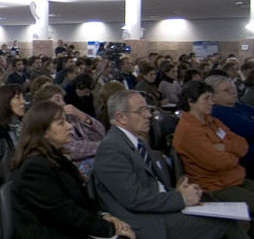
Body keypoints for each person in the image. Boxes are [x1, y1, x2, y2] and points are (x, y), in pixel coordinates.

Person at [93, 90, 246, 239]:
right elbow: (134, 199)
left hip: (158, 209)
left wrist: (177, 192)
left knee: (222, 213)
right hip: (146, 221)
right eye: (141, 111)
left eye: (148, 109)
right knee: (224, 222)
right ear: (121, 117)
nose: (148, 115)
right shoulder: (111, 149)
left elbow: (152, 186)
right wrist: (181, 199)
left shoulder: (136, 142)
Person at [11, 101, 135, 239]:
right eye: (61, 123)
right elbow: (65, 214)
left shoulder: (56, 158)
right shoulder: (34, 169)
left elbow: (80, 203)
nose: (69, 127)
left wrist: (104, 216)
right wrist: (110, 229)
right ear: (43, 132)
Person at [173, 81, 254, 236]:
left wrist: (226, 148)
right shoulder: (188, 132)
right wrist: (234, 154)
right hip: (216, 186)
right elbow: (218, 162)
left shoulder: (212, 121)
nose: (212, 102)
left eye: (212, 98)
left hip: (235, 178)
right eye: (206, 98)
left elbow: (242, 144)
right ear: (191, 102)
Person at [33, 84, 106, 175]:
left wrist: (82, 115)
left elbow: (100, 133)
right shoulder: (46, 125)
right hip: (75, 168)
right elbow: (73, 149)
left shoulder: (71, 117)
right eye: (57, 100)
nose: (63, 103)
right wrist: (104, 147)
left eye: (62, 99)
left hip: (95, 159)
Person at [205, 75, 254, 178]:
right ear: (213, 96)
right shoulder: (218, 112)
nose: (233, 92)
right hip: (245, 156)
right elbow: (249, 130)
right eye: (226, 90)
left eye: (232, 88)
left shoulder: (238, 106)